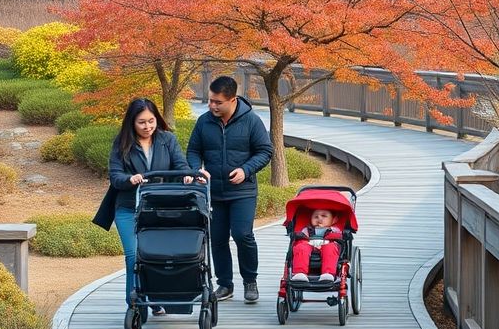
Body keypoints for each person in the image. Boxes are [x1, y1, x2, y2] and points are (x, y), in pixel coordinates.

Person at [93, 98, 189, 314]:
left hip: (159, 208)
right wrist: (131, 179)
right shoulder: (122, 143)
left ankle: (154, 298)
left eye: (151, 121)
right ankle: (135, 306)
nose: (148, 127)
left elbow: (181, 165)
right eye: (142, 123)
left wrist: (187, 177)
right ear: (132, 123)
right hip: (128, 208)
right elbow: (115, 177)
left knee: (157, 255)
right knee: (134, 256)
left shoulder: (167, 140)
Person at [186, 75, 273, 303]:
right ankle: (225, 285)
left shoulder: (251, 121)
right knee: (218, 239)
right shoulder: (204, 122)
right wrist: (197, 170)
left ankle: (250, 281)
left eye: (218, 102)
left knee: (242, 234)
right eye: (210, 100)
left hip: (243, 191)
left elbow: (265, 151)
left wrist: (246, 169)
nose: (212, 105)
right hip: (213, 192)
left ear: (232, 100)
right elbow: (193, 150)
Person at [291, 209, 343, 282]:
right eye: (315, 217)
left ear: (334, 220)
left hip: (328, 246)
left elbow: (339, 239)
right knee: (300, 246)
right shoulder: (306, 230)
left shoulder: (334, 230)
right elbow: (301, 238)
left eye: (324, 216)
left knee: (331, 247)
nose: (319, 219)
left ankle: (328, 273)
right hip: (309, 246)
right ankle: (300, 272)